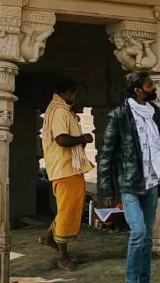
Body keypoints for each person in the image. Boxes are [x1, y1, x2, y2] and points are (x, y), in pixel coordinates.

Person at [98, 71, 160, 283]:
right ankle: (131, 280)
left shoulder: (155, 112)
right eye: (149, 86)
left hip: (152, 182)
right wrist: (106, 190)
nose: (153, 88)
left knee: (147, 237)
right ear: (138, 91)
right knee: (138, 231)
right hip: (130, 184)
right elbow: (106, 155)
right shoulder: (119, 116)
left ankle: (144, 280)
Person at [39, 76, 94, 271]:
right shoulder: (60, 111)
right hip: (65, 168)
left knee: (68, 208)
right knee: (68, 211)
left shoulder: (58, 109)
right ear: (70, 92)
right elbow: (62, 139)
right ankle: (63, 257)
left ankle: (49, 237)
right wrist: (84, 138)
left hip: (68, 168)